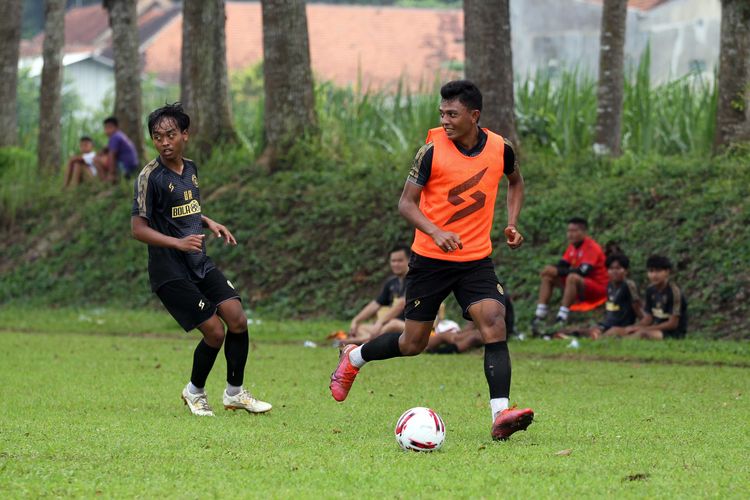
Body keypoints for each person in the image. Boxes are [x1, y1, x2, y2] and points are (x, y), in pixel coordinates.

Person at [329, 80, 534, 441]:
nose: (445, 120)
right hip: (430, 261)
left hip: (475, 260)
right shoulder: (431, 150)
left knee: (494, 322)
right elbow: (406, 204)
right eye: (442, 113)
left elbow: (515, 183)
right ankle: (354, 357)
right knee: (413, 343)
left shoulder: (501, 148)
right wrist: (436, 231)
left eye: (452, 114)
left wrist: (512, 223)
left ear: (474, 115)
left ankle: (501, 416)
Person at [131, 102, 271, 417]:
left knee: (237, 318)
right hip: (170, 271)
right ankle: (194, 391)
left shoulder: (191, 169)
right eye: (157, 137)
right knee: (215, 331)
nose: (164, 142)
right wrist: (178, 243)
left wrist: (208, 221)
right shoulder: (149, 177)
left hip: (198, 262)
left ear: (185, 135)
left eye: (170, 135)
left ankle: (235, 393)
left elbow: (183, 208)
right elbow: (138, 229)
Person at [531, 217, 608, 336]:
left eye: (574, 231)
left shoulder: (591, 247)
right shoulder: (572, 247)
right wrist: (552, 270)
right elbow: (563, 265)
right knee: (548, 276)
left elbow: (584, 271)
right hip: (579, 285)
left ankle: (562, 317)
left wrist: (557, 271)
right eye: (569, 231)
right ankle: (540, 315)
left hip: (597, 288)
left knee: (572, 277)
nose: (570, 234)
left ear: (583, 232)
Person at [554, 253, 642, 340]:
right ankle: (564, 335)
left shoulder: (628, 285)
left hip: (619, 327)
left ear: (626, 271)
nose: (614, 271)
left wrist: (632, 328)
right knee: (578, 330)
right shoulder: (609, 285)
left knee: (601, 334)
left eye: (618, 268)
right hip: (606, 324)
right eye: (611, 269)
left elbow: (639, 311)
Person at [345, 245, 410, 345]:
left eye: (400, 261)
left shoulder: (415, 280)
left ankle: (363, 342)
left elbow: (401, 304)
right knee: (361, 327)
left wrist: (380, 322)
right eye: (393, 261)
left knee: (393, 324)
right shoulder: (391, 283)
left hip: (411, 326)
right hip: (387, 326)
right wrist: (356, 320)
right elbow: (375, 304)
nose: (396, 264)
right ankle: (366, 340)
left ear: (409, 260)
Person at [621, 255, 687, 340]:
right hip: (655, 328)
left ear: (667, 272)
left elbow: (672, 324)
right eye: (651, 271)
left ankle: (620, 344)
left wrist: (645, 329)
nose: (654, 275)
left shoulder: (674, 292)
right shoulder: (650, 290)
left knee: (643, 334)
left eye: (658, 271)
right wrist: (635, 327)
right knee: (619, 330)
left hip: (672, 333)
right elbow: (649, 317)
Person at [103, 116, 139, 182]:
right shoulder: (120, 135)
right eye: (106, 128)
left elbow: (112, 155)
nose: (107, 130)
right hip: (133, 166)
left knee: (99, 160)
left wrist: (111, 173)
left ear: (116, 127)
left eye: (109, 127)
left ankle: (107, 180)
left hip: (126, 167)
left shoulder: (114, 136)